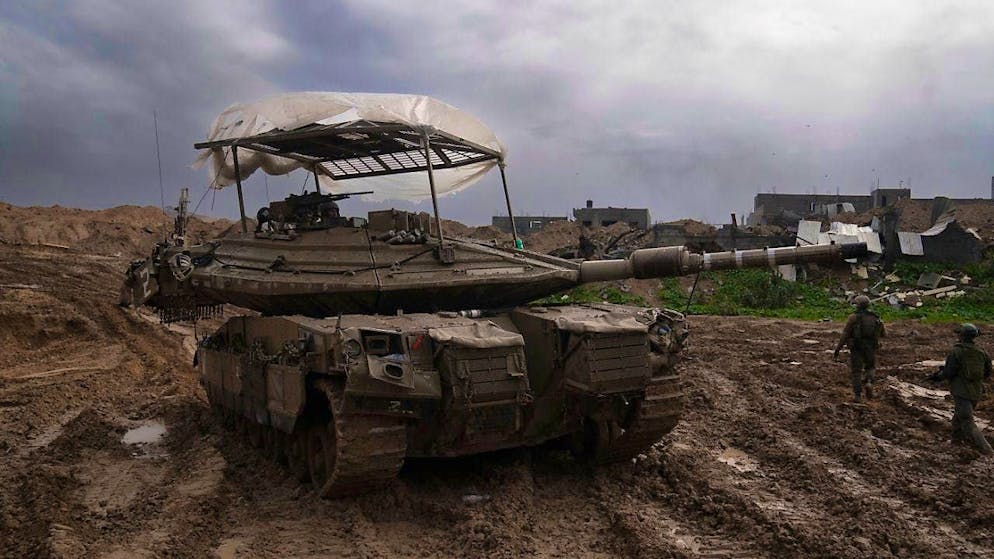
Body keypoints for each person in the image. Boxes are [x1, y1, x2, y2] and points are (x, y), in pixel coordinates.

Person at [928, 323, 993, 456]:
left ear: (961, 336)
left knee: (967, 420)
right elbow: (987, 373)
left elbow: (949, 372)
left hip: (961, 390)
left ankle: (987, 450)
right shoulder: (982, 353)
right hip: (976, 391)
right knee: (959, 415)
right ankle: (956, 442)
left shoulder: (956, 351)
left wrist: (937, 377)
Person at [834, 295, 885, 402]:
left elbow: (845, 334)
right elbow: (883, 334)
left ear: (857, 305)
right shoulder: (876, 317)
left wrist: (838, 349)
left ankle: (857, 395)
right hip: (871, 347)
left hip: (856, 347)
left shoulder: (853, 317)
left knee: (856, 371)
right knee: (870, 368)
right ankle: (869, 382)